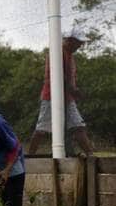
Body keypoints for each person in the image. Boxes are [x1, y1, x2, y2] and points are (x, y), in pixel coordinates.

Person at [28, 28, 94, 157]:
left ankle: (92, 157)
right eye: (78, 42)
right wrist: (74, 91)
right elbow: (58, 76)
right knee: (42, 129)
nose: (81, 45)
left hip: (68, 98)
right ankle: (30, 157)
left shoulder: (69, 54)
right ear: (69, 40)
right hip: (51, 97)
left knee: (78, 125)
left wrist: (74, 92)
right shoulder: (57, 52)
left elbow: (69, 77)